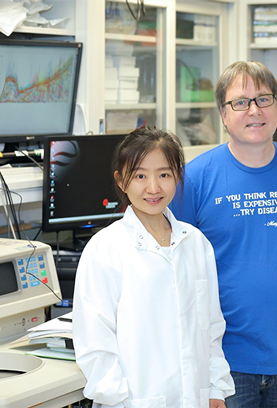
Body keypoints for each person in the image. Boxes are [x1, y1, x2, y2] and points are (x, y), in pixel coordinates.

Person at [170, 61, 277, 408]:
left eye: (263, 99)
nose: (254, 110)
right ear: (223, 116)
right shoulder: (194, 179)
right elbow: (176, 267)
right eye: (240, 102)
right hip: (224, 366)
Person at [73, 126, 235, 408]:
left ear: (177, 178)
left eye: (164, 174)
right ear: (121, 181)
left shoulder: (195, 244)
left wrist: (215, 389)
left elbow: (211, 329)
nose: (153, 188)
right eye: (140, 176)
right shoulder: (105, 249)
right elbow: (95, 346)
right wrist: (120, 399)